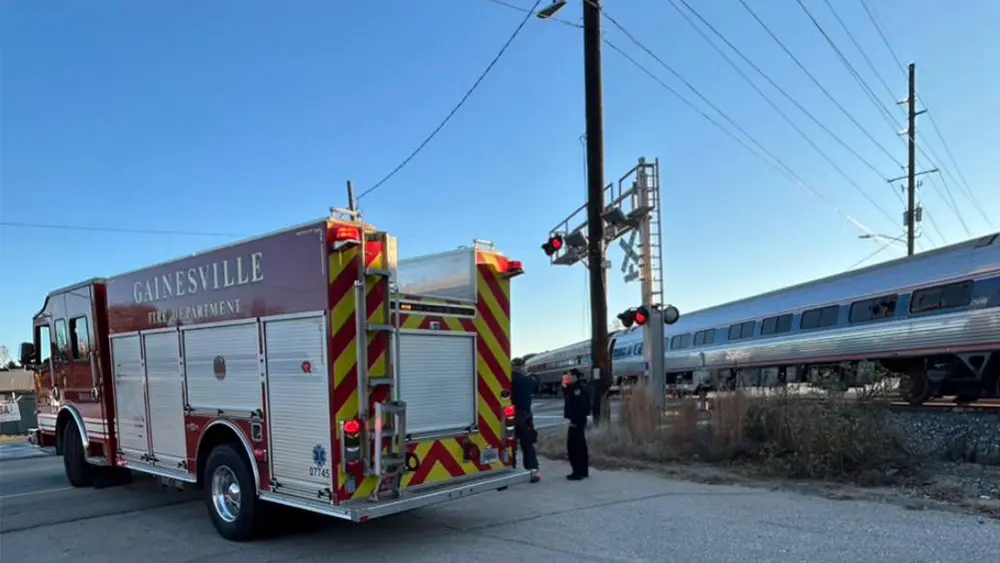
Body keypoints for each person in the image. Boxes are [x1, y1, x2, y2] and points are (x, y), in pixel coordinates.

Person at [511, 358, 541, 483]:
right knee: (527, 444)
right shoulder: (526, 380)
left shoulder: (506, 379)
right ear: (522, 367)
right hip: (523, 415)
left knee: (508, 445)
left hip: (507, 415)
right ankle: (532, 470)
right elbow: (537, 383)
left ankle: (508, 470)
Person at [562, 368, 590, 480]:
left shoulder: (578, 389)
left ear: (575, 376)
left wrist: (574, 421)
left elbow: (579, 405)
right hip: (579, 420)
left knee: (574, 447)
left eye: (569, 376)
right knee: (581, 445)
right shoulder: (577, 387)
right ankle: (583, 471)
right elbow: (565, 392)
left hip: (577, 420)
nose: (567, 378)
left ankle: (577, 472)